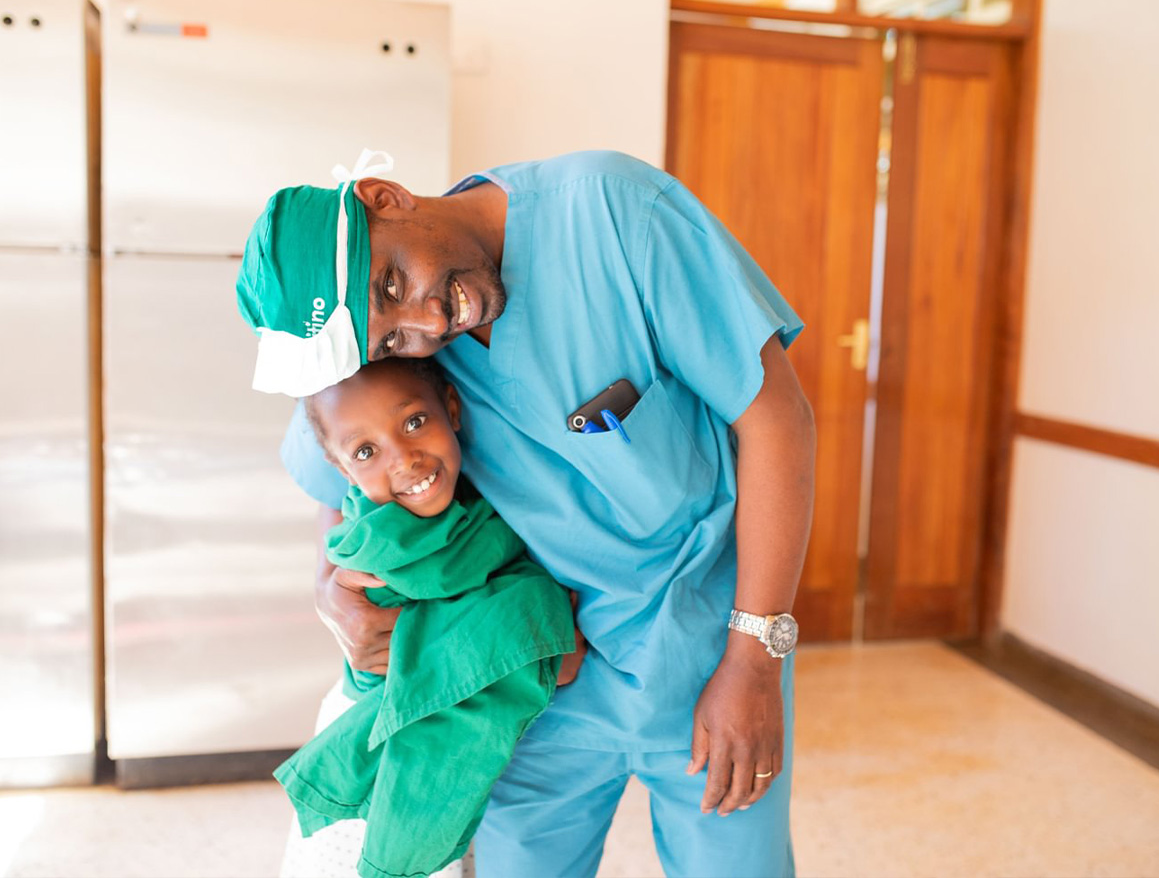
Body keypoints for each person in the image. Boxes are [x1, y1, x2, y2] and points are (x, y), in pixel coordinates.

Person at [238, 148, 816, 878]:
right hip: (533, 686)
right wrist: (332, 590)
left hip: (710, 656)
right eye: (390, 337)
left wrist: (755, 660)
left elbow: (777, 420)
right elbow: (338, 475)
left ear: (385, 198)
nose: (425, 319)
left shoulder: (616, 215)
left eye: (394, 281)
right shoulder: (391, 346)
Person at [274, 356, 576, 878]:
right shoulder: (380, 550)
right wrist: (540, 617)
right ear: (343, 472)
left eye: (414, 422)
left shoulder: (480, 519)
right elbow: (553, 658)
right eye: (366, 452)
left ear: (451, 409)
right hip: (385, 753)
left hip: (457, 757)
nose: (405, 459)